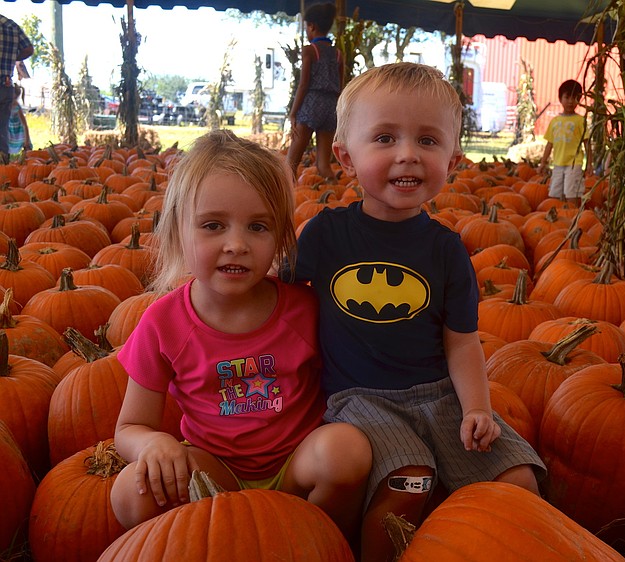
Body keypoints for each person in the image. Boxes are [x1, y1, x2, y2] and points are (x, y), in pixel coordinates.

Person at [292, 62, 546, 562]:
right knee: (410, 481)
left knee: (517, 481)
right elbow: (276, 302)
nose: (407, 155)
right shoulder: (325, 236)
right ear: (346, 156)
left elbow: (461, 340)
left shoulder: (446, 249)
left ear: (451, 159)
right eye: (385, 138)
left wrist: (477, 408)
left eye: (428, 141)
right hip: (362, 401)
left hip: (440, 397)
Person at [110, 130, 372, 545]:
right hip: (216, 474)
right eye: (213, 225)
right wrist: (155, 443)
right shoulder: (162, 324)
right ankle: (213, 542)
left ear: (281, 237)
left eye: (258, 226)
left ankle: (319, 542)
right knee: (130, 493)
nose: (236, 244)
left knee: (347, 451)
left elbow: (348, 388)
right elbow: (130, 426)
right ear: (179, 230)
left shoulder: (304, 310)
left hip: (296, 467)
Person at [286, 2, 343, 181]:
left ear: (312, 26)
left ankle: (285, 199)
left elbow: (303, 85)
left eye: (306, 27)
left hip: (312, 104)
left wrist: (293, 114)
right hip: (330, 106)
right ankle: (335, 194)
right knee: (323, 164)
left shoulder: (310, 50)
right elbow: (341, 87)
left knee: (291, 163)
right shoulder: (339, 54)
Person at [537, 79, 590, 207]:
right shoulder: (555, 121)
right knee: (555, 193)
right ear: (560, 98)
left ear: (580, 99)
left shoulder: (580, 121)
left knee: (572, 194)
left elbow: (587, 144)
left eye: (574, 97)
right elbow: (550, 144)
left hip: (574, 164)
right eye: (567, 97)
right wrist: (543, 162)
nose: (570, 101)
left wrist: (589, 164)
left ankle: (572, 216)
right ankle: (558, 218)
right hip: (558, 164)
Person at [0, 15, 33, 163]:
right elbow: (29, 49)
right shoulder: (10, 25)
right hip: (5, 85)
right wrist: (13, 58)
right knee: (2, 130)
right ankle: (3, 168)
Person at [8, 84, 30, 156]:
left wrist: (26, 140)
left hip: (18, 133)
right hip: (10, 131)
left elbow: (24, 124)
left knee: (27, 153)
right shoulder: (5, 105)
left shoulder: (17, 107)